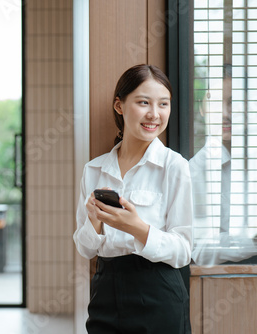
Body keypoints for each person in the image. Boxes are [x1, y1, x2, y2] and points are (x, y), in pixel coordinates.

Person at [73, 64, 192, 334]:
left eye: (164, 104)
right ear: (120, 105)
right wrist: (94, 221)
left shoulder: (174, 167)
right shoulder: (93, 169)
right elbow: (85, 249)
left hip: (158, 291)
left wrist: (135, 226)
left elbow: (184, 249)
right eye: (143, 102)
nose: (154, 114)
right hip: (105, 292)